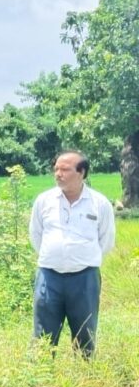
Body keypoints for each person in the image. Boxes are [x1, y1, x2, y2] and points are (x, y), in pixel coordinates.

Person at [29, 150, 115, 358]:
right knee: (43, 336)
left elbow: (106, 240)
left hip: (84, 278)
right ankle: (40, 384)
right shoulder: (44, 201)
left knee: (85, 333)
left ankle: (84, 380)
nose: (58, 173)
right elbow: (36, 235)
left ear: (81, 172)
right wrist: (57, 256)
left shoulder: (99, 203)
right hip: (49, 277)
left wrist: (81, 259)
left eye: (65, 169)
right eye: (56, 169)